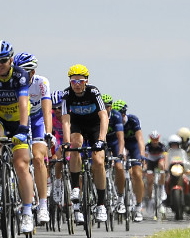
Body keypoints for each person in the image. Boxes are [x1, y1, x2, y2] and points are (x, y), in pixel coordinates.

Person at [0, 40, 35, 234]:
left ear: (11, 59)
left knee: (21, 165)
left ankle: (27, 212)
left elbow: (23, 104)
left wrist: (22, 129)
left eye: (3, 60)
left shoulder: (20, 75)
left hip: (18, 119)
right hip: (0, 117)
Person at [59, 64, 109, 224]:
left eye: (80, 81)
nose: (77, 85)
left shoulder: (93, 92)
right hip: (77, 125)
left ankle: (101, 204)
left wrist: (101, 140)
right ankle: (75, 187)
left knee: (99, 161)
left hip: (94, 126)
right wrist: (66, 142)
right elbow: (66, 120)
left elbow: (103, 116)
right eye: (73, 82)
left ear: (86, 81)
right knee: (75, 144)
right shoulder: (67, 94)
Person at [14, 52, 53, 225]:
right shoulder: (12, 83)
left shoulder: (41, 82)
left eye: (25, 72)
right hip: (20, 120)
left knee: (38, 158)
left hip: (37, 120)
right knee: (18, 159)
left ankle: (43, 205)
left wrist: (49, 132)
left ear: (32, 73)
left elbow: (47, 110)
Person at [113, 99, 145, 222]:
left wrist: (142, 155)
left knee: (137, 174)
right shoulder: (113, 121)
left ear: (124, 114)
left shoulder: (133, 120)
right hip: (121, 146)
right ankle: (118, 196)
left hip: (134, 146)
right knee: (118, 168)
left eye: (121, 114)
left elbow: (140, 139)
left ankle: (138, 206)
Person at [143, 130, 167, 212]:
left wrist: (165, 167)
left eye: (156, 140)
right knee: (149, 181)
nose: (154, 142)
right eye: (153, 140)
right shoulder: (147, 146)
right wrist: (145, 167)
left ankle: (162, 187)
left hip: (159, 160)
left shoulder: (162, 146)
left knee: (162, 166)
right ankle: (150, 199)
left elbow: (165, 158)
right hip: (150, 161)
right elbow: (145, 157)